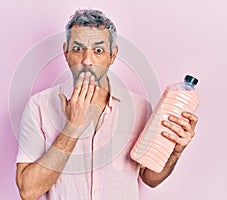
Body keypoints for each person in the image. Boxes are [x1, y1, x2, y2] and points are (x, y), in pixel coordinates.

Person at [15, 9, 199, 200]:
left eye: (98, 51)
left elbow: (150, 178)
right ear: (66, 53)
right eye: (78, 49)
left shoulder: (140, 107)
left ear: (112, 55)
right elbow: (29, 191)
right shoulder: (38, 106)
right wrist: (72, 128)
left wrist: (175, 152)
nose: (87, 61)